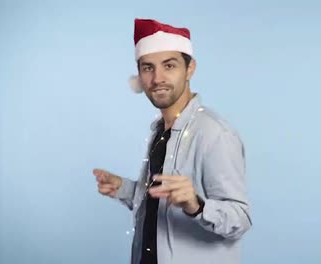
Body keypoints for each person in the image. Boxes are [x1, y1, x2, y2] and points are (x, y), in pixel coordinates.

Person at [93, 18, 252, 264]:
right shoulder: (159, 130)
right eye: (148, 68)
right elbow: (162, 201)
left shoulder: (215, 133)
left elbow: (240, 219)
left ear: (190, 69)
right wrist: (123, 188)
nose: (158, 78)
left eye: (169, 66)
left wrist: (196, 205)